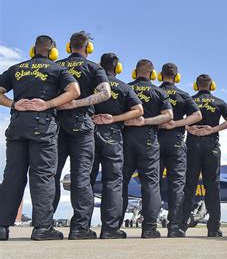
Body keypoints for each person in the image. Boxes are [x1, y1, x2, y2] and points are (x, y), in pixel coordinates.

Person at [0, 35, 80, 241]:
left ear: (32, 50)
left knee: (12, 176)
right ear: (53, 52)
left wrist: (13, 104)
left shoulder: (16, 68)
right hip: (42, 126)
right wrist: (48, 103)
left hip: (17, 125)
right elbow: (75, 91)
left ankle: (1, 227)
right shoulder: (57, 69)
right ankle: (42, 228)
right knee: (43, 176)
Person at [54, 31, 111, 240]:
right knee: (82, 177)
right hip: (82, 125)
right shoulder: (94, 67)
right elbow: (105, 93)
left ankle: (43, 225)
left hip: (56, 126)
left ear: (69, 47)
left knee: (52, 175)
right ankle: (79, 228)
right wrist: (77, 103)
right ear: (88, 49)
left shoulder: (56, 66)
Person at [90, 53, 144, 239]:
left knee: (86, 179)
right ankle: (110, 229)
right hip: (112, 134)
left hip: (88, 133)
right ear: (118, 68)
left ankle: (80, 227)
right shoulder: (124, 86)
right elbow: (139, 110)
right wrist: (114, 118)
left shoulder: (90, 83)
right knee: (113, 181)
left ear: (99, 65)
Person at [121, 59, 173, 238]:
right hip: (149, 140)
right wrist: (146, 121)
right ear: (152, 74)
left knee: (120, 182)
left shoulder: (125, 88)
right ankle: (149, 228)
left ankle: (112, 227)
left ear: (134, 72)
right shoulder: (159, 92)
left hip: (125, 139)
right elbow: (168, 116)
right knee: (151, 184)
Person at [181, 74, 227, 237]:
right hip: (211, 145)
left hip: (192, 145)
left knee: (189, 186)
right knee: (212, 187)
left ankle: (182, 226)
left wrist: (189, 128)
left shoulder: (189, 100)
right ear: (212, 85)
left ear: (195, 85)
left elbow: (176, 118)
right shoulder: (219, 102)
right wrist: (213, 129)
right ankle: (214, 228)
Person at [157, 63, 202, 237]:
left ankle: (150, 225)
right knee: (177, 185)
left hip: (155, 140)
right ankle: (174, 227)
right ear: (177, 77)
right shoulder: (183, 95)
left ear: (160, 75)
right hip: (176, 140)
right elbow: (197, 115)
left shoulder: (155, 91)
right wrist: (177, 123)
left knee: (153, 183)